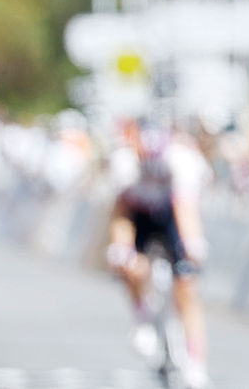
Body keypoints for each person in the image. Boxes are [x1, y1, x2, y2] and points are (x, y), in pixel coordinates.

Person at [105, 118, 212, 389]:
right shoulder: (124, 163)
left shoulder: (183, 161)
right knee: (130, 265)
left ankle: (196, 364)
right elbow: (121, 212)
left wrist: (193, 244)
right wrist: (121, 247)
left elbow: (185, 209)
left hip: (171, 216)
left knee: (187, 287)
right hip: (139, 214)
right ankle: (141, 317)